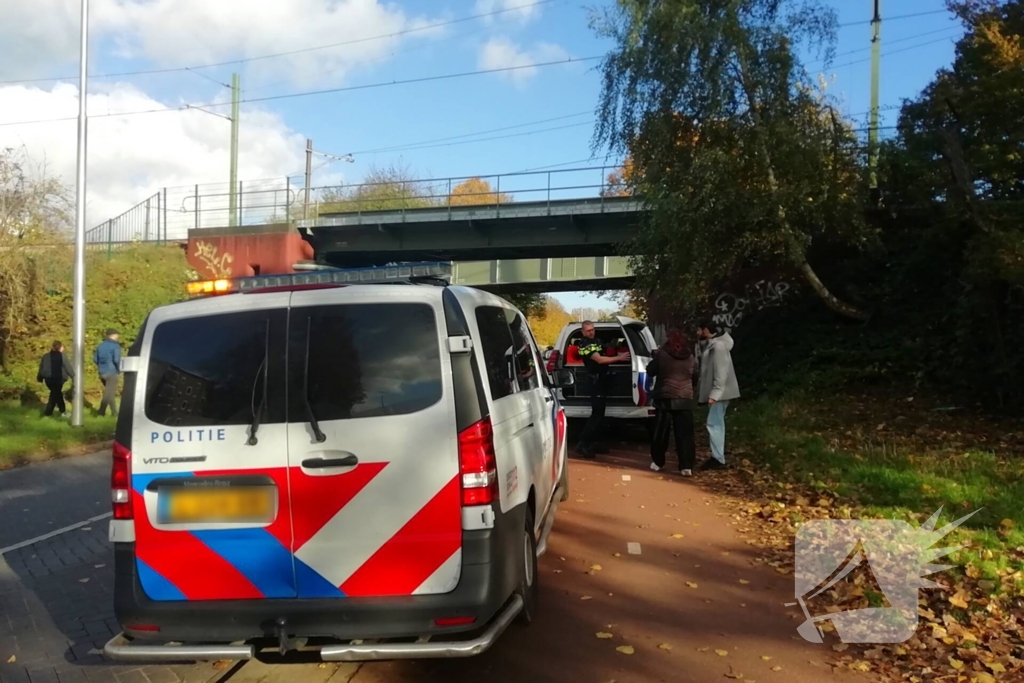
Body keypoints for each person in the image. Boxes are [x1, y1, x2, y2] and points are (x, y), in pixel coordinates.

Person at [574, 321, 630, 459]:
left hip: (602, 380)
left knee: (600, 415)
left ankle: (593, 443)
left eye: (592, 329)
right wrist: (619, 358)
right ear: (583, 332)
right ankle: (583, 444)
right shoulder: (584, 344)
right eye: (588, 330)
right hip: (595, 381)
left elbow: (605, 350)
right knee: (596, 415)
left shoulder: (596, 341)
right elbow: (599, 360)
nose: (591, 332)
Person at [647, 329, 697, 476]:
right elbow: (695, 375)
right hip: (685, 398)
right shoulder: (690, 356)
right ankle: (686, 466)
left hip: (665, 397)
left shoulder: (662, 355)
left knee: (661, 432)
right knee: (685, 434)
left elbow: (650, 371)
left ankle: (658, 462)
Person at [695, 319, 740, 470]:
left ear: (706, 330)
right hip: (720, 392)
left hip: (720, 393)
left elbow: (721, 372)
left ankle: (718, 458)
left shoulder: (718, 346)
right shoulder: (715, 344)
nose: (697, 333)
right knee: (715, 423)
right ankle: (717, 456)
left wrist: (715, 393)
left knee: (714, 423)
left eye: (699, 330)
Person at [37, 340, 75, 417]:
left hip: (48, 379)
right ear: (60, 347)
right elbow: (67, 367)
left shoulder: (46, 356)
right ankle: (48, 413)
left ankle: (62, 411)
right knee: (54, 395)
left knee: (56, 394)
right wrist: (74, 376)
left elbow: (41, 367)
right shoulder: (62, 356)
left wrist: (39, 378)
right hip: (58, 379)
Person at [94, 328, 123, 417]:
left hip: (102, 372)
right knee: (108, 394)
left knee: (109, 393)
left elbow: (95, 359)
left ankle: (114, 413)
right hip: (111, 372)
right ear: (114, 335)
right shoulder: (116, 346)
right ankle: (101, 412)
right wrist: (119, 369)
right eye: (117, 335)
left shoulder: (100, 346)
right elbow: (116, 360)